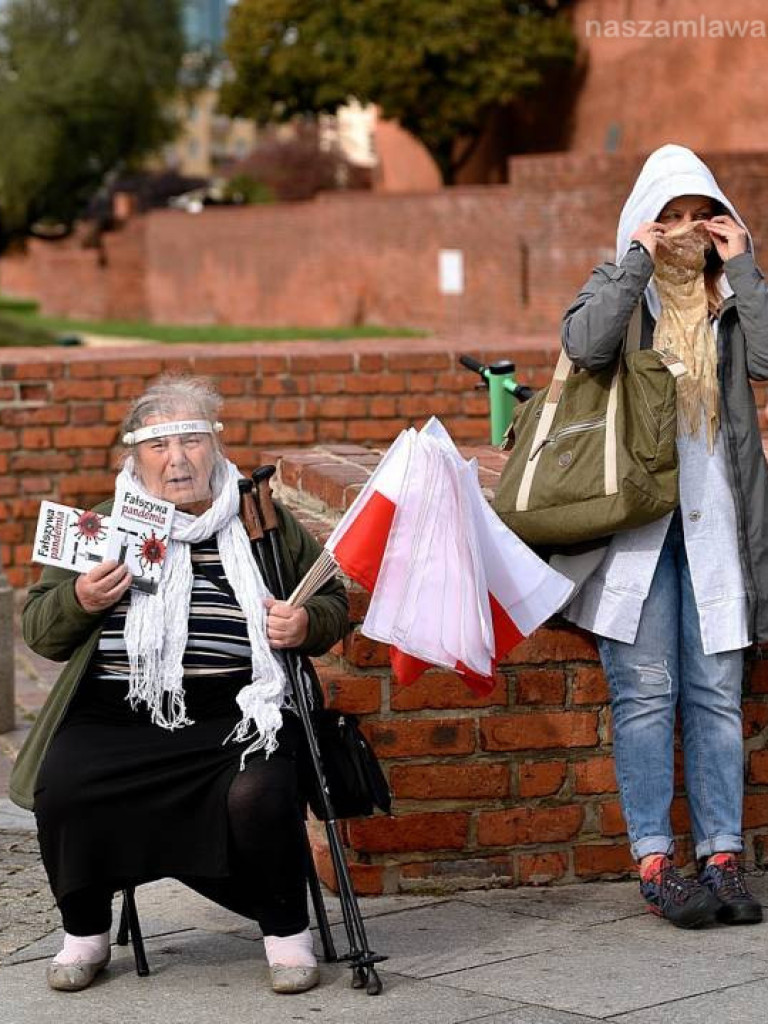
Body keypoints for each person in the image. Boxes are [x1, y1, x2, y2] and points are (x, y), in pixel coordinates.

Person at [10, 376, 349, 993]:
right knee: (64, 783)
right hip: (119, 706)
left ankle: (285, 932)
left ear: (215, 446)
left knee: (260, 789)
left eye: (192, 440)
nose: (178, 459)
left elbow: (331, 602)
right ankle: (84, 931)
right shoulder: (105, 525)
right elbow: (40, 630)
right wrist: (81, 600)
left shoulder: (258, 518)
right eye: (160, 446)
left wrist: (304, 623)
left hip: (240, 706)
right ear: (133, 458)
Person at [560, 144, 767, 928]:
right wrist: (636, 265)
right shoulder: (620, 289)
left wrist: (742, 266)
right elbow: (584, 345)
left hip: (716, 526)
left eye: (698, 218)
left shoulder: (729, 306)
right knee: (646, 695)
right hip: (636, 533)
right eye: (668, 217)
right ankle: (654, 858)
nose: (684, 232)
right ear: (643, 222)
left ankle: (721, 853)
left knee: (716, 695)